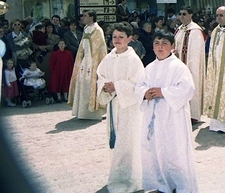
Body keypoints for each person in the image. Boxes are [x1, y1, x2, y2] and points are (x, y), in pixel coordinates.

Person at [135, 30, 198, 192]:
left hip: (173, 117)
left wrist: (164, 92)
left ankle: (182, 187)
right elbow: (139, 86)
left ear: (172, 46)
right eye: (157, 43)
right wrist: (144, 93)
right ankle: (163, 185)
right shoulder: (149, 67)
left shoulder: (178, 67)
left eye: (164, 44)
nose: (160, 47)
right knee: (156, 151)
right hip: (154, 117)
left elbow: (188, 88)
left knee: (175, 153)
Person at [97, 22, 144, 193]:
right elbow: (100, 75)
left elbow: (138, 84)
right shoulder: (108, 58)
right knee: (116, 142)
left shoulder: (133, 60)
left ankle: (132, 178)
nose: (117, 40)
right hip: (114, 105)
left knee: (129, 141)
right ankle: (117, 175)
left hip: (129, 107)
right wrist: (104, 85)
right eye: (114, 36)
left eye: (121, 37)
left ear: (129, 39)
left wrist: (117, 86)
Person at [67, 10, 107, 120]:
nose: (82, 18)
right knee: (82, 84)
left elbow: (101, 49)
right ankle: (82, 112)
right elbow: (82, 47)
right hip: (85, 61)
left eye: (85, 16)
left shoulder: (98, 30)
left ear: (92, 17)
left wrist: (97, 63)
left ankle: (93, 112)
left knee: (92, 84)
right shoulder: (86, 29)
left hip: (94, 62)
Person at [174, 5, 206, 123]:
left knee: (191, 86)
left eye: (184, 14)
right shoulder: (179, 29)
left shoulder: (195, 31)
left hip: (191, 65)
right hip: (178, 65)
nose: (181, 17)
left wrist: (189, 67)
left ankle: (192, 114)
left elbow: (196, 53)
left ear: (191, 15)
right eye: (180, 14)